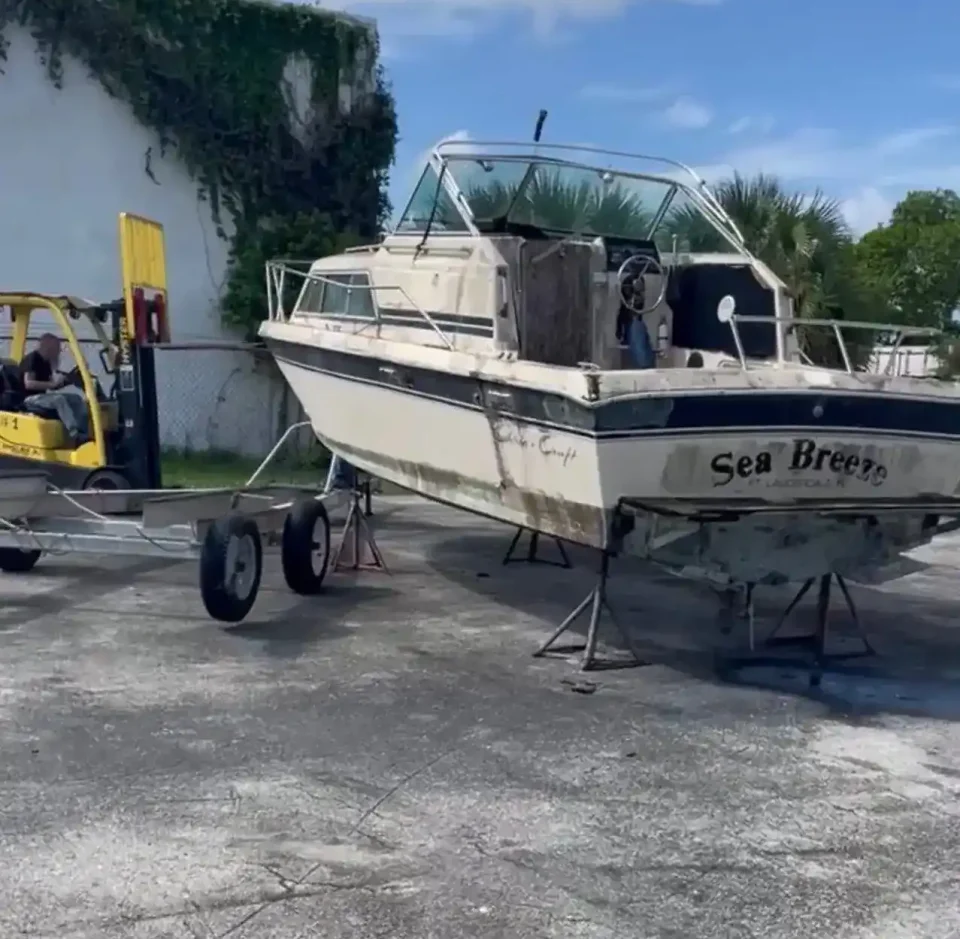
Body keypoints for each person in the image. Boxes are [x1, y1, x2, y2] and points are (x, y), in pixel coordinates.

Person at [19, 333, 90, 445]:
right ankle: (74, 433)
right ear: (48, 346)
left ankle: (84, 431)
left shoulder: (46, 363)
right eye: (57, 348)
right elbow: (29, 384)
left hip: (41, 397)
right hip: (28, 399)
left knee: (76, 398)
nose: (59, 352)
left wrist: (67, 381)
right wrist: (52, 385)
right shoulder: (32, 359)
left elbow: (52, 386)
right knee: (59, 400)